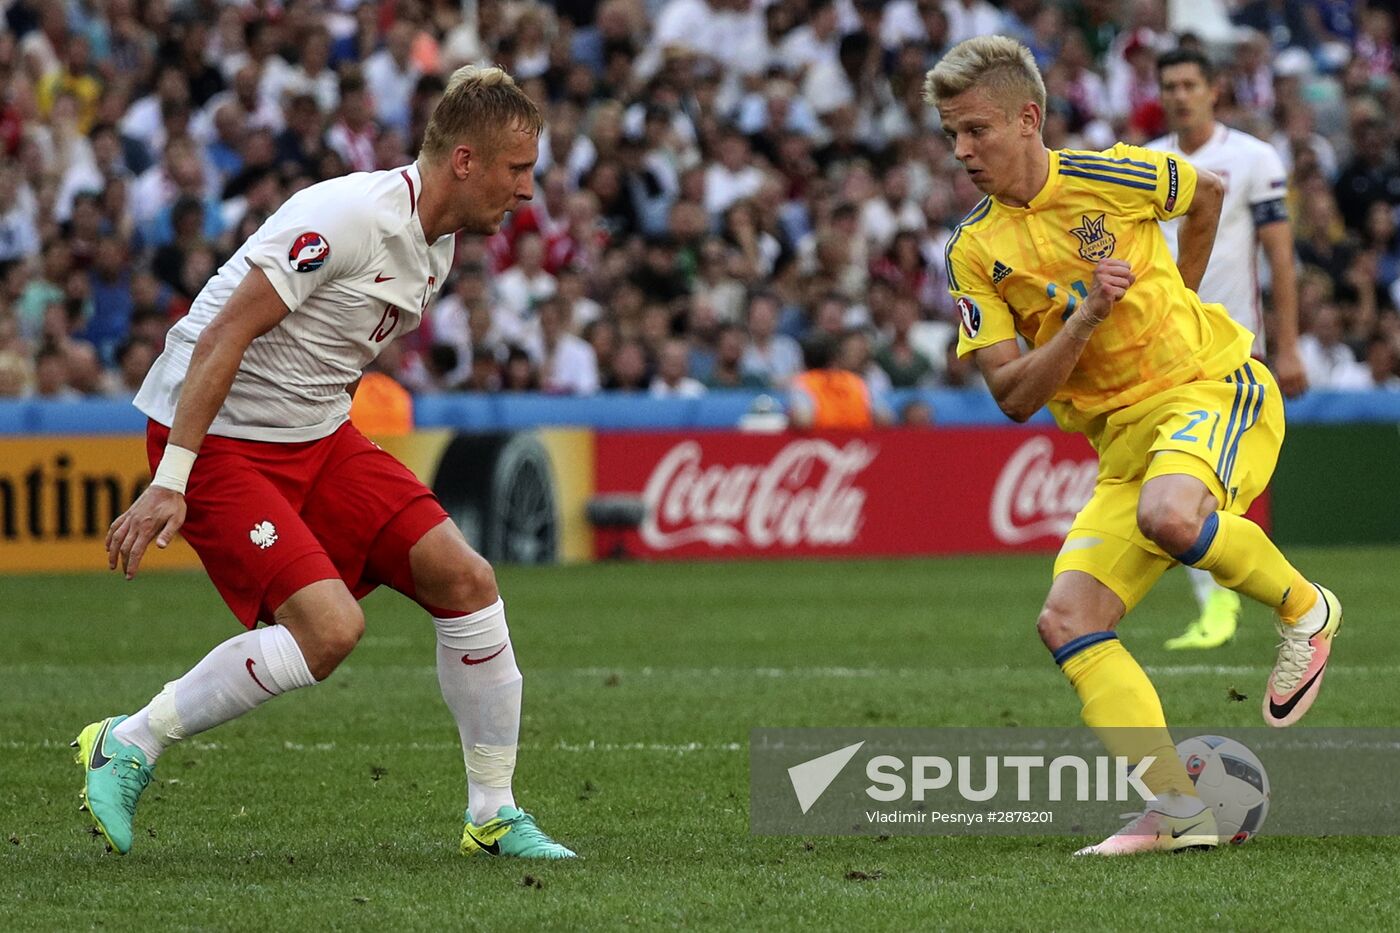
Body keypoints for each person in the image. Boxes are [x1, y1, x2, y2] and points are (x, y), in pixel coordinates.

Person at [77, 66, 575, 860]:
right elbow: (223, 336)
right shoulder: (344, 217)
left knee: (467, 580)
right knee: (330, 630)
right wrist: (172, 479)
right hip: (215, 437)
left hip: (311, 433)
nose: (527, 190)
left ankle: (492, 813)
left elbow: (323, 353)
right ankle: (128, 741)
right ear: (466, 163)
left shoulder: (436, 246)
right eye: (518, 170)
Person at [928, 37, 1341, 856]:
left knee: (1169, 515)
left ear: (1028, 119)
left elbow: (1208, 190)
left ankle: (1306, 606)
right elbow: (1012, 396)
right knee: (1067, 618)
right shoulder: (973, 250)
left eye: (974, 130)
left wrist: (1177, 293)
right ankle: (1180, 811)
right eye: (950, 135)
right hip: (1124, 441)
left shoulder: (1110, 174)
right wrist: (1085, 316)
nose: (962, 151)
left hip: (1211, 388)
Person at [1150, 47, 1307, 651]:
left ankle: (1244, 602)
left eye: (1190, 83)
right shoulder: (1149, 163)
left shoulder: (1253, 158)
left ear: (1214, 90)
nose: (1180, 94)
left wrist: (1287, 346)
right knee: (1174, 481)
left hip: (1231, 349)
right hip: (1161, 349)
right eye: (1170, 85)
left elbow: (1279, 255)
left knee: (1207, 483)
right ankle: (1217, 602)